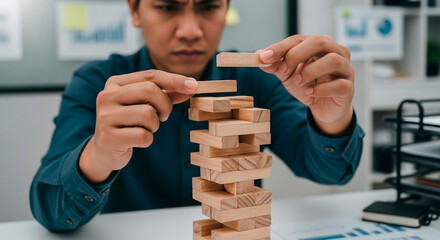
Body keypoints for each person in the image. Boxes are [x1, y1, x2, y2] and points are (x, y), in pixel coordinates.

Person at [30, 0, 365, 232]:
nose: (190, 30)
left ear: (226, 8)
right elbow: (51, 210)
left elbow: (331, 171)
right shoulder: (97, 84)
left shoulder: (257, 81)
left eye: (208, 6)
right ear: (135, 9)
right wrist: (97, 157)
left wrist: (332, 118)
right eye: (166, 6)